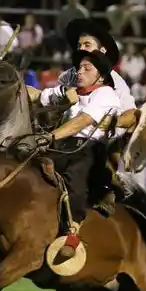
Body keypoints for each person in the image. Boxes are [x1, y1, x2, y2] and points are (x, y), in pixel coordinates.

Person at [32, 18, 136, 210]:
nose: (81, 48)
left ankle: (110, 187)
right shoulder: (69, 75)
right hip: (64, 137)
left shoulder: (114, 82)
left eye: (87, 45)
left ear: (102, 51)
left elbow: (132, 114)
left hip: (98, 141)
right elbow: (49, 97)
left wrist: (110, 122)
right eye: (79, 45)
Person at [38, 50, 122, 260]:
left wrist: (50, 136)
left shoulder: (106, 94)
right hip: (61, 145)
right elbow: (38, 95)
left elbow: (82, 121)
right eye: (79, 68)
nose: (80, 71)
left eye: (87, 68)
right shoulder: (71, 91)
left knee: (76, 177)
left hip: (88, 148)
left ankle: (72, 233)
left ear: (100, 76)